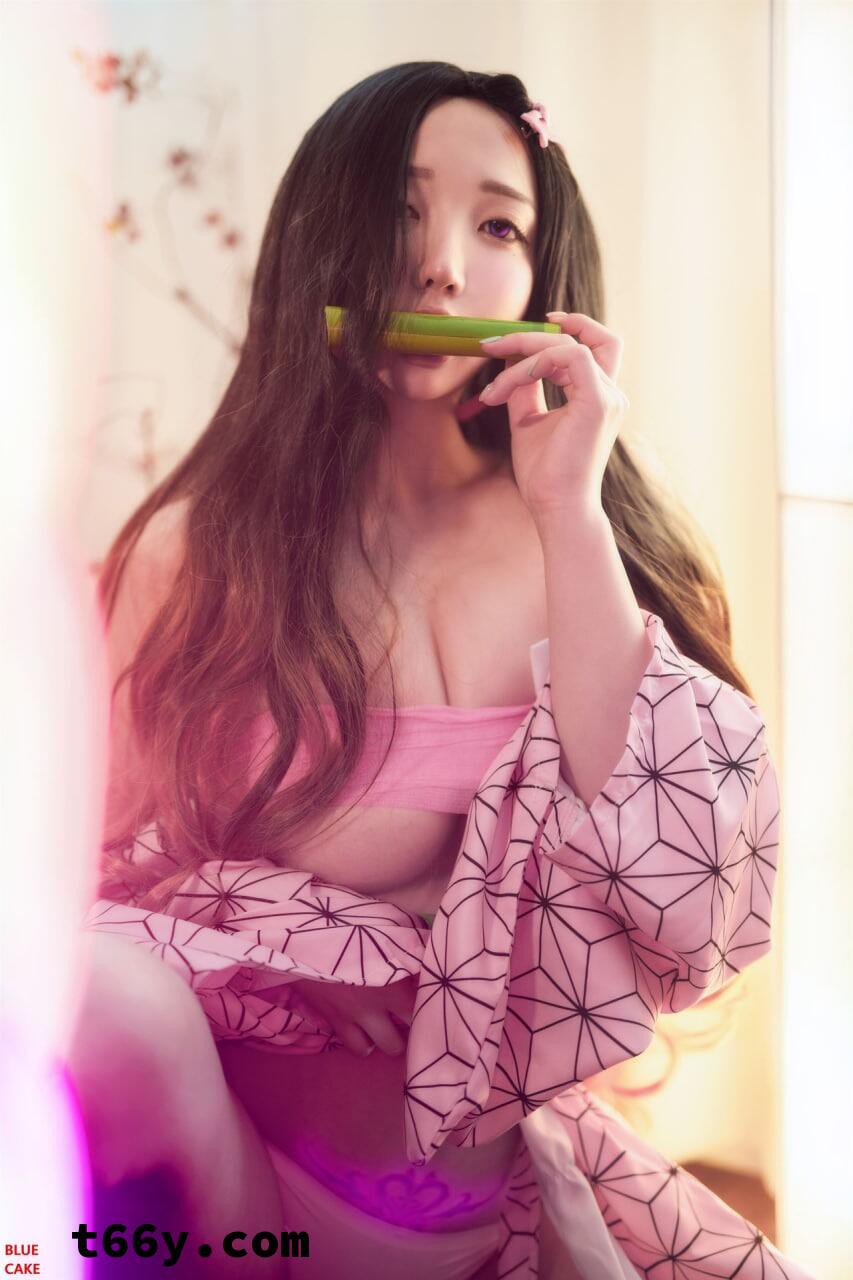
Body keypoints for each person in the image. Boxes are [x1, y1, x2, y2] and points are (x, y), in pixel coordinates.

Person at [67, 63, 792, 1280]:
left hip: (459, 1213)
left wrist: (569, 509)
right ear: (318, 243)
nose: (442, 266)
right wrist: (269, 930)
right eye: (398, 212)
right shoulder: (195, 552)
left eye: (498, 227)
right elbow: (69, 902)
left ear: (546, 278)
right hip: (223, 1190)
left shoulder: (581, 546)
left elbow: (683, 906)